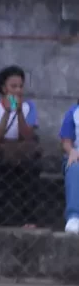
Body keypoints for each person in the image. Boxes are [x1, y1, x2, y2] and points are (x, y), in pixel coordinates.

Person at [0, 65, 42, 227]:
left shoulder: (29, 106)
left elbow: (27, 136)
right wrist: (6, 112)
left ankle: (30, 219)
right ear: (4, 88)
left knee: (32, 167)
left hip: (20, 149)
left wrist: (18, 112)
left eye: (20, 86)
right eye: (13, 86)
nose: (18, 90)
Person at [60, 98, 79, 235]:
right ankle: (74, 218)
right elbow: (66, 142)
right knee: (73, 167)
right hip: (77, 155)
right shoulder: (73, 113)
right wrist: (72, 151)